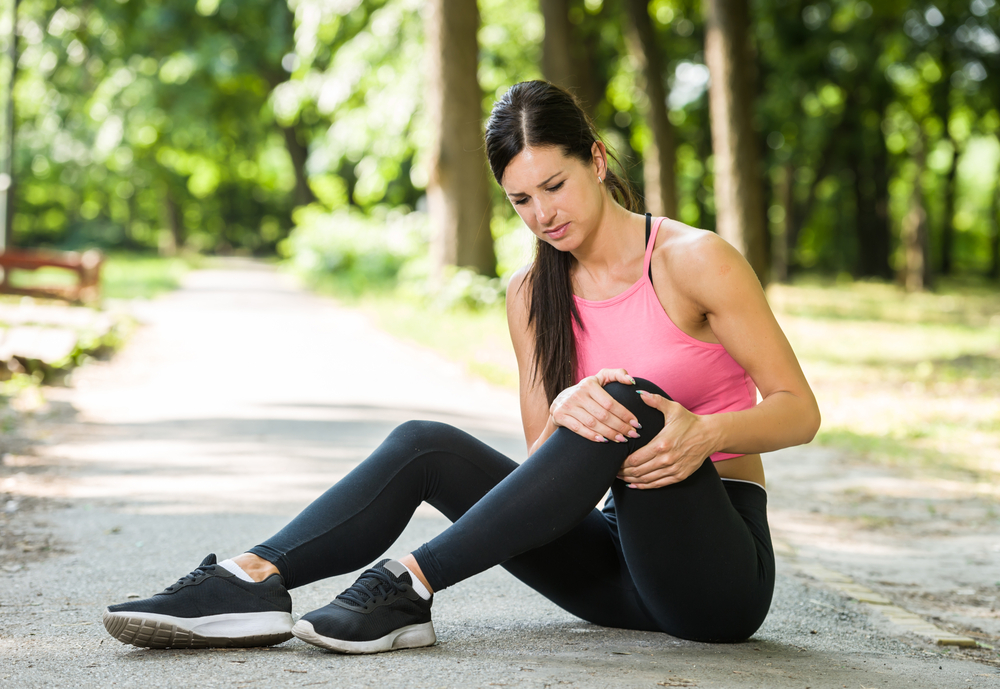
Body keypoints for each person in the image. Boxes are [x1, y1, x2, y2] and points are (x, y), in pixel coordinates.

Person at [103, 80, 820, 653]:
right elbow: (548, 471)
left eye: (556, 185)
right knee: (425, 443)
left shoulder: (693, 260)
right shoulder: (530, 295)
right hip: (616, 573)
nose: (543, 214)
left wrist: (700, 432)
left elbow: (799, 408)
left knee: (628, 397)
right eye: (521, 199)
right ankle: (251, 577)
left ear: (597, 161)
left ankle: (409, 582)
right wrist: (570, 401)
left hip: (718, 577)